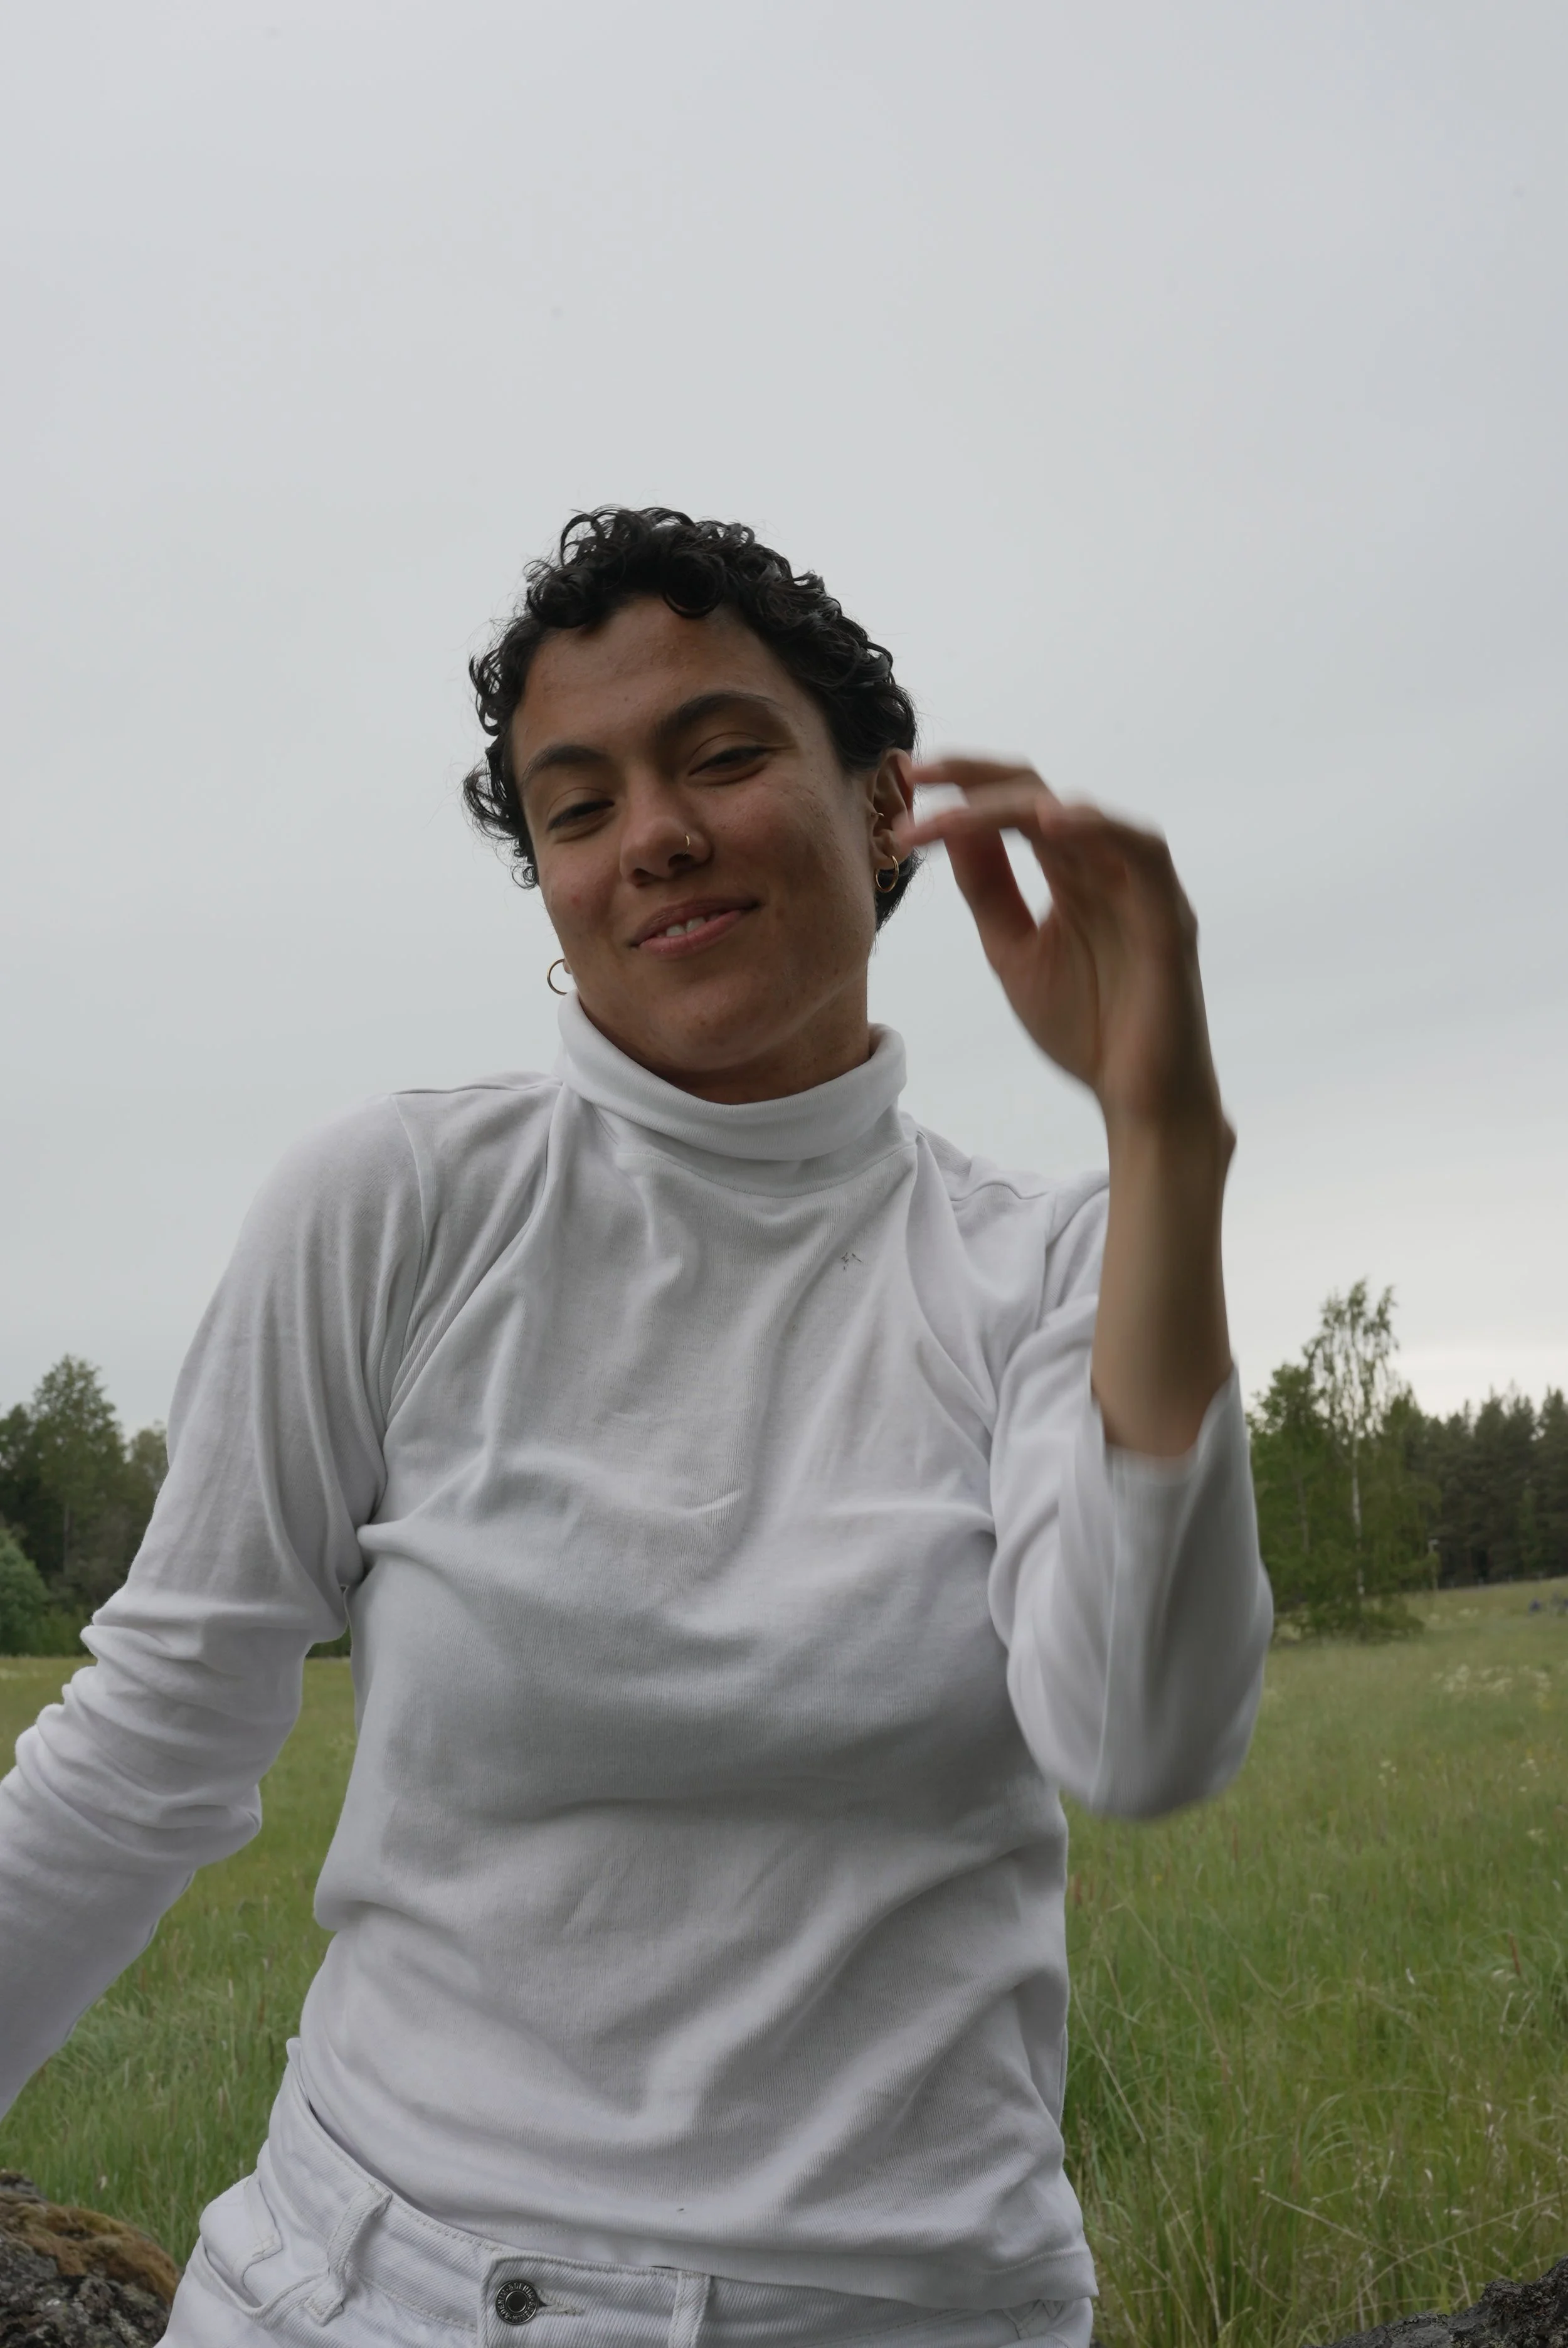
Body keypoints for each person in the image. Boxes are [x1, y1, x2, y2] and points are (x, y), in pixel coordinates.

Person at [0, 507, 1273, 2348]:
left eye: (725, 754)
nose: (652, 834)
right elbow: (149, 1742)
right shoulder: (402, 1205)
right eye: (576, 806)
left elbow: (1142, 1737)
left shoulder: (1042, 1261)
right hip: (372, 2291)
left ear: (883, 800)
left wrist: (1166, 1139)